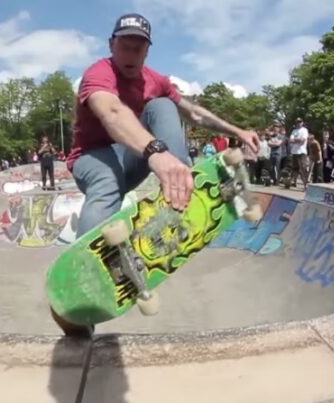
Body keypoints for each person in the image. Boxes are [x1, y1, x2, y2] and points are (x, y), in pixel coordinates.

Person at [59, 13, 260, 337]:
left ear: (147, 51)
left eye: (138, 49)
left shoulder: (156, 80)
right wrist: (155, 152)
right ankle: (81, 280)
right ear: (111, 45)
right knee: (108, 179)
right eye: (124, 47)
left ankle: (184, 184)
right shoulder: (99, 73)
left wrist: (237, 130)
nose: (130, 55)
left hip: (132, 159)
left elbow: (194, 113)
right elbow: (112, 112)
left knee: (165, 104)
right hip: (92, 160)